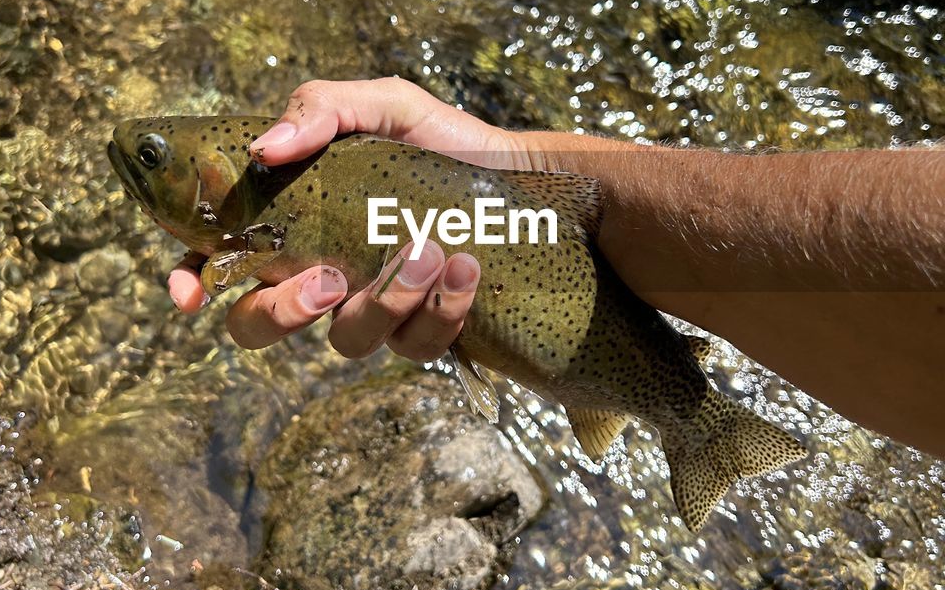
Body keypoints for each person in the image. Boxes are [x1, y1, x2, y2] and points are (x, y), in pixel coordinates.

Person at [168, 78, 945, 457]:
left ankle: (703, 431)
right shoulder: (251, 223)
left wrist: (519, 171)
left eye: (155, 161)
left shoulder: (244, 226)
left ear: (211, 188)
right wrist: (519, 165)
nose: (145, 169)